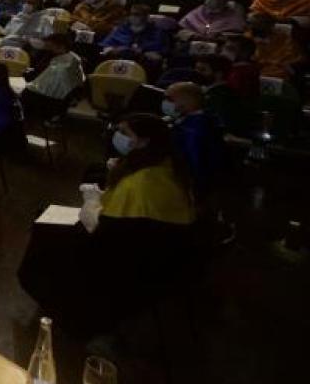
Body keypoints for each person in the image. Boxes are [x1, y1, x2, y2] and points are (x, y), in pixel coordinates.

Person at [17, 115, 196, 336]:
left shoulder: (140, 185)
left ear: (144, 141)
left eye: (125, 133)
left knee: (45, 232)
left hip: (123, 262)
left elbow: (105, 229)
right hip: (151, 253)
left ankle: (63, 304)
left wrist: (92, 200)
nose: (117, 136)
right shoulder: (167, 168)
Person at [163, 82, 225, 198]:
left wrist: (193, 188)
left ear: (187, 101)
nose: (166, 103)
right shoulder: (188, 120)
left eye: (170, 99)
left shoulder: (195, 129)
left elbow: (195, 160)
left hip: (191, 186)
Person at [21, 33, 85, 124]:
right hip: (46, 88)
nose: (48, 48)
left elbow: (70, 80)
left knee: (28, 94)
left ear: (60, 46)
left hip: (59, 94)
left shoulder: (71, 61)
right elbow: (40, 71)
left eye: (50, 46)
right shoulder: (50, 55)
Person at [100, 4, 170, 74]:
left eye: (137, 14)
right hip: (117, 63)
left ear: (146, 16)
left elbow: (160, 55)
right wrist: (114, 49)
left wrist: (142, 53)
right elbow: (105, 46)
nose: (133, 16)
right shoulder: (121, 29)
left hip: (144, 66)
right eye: (131, 14)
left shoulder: (158, 32)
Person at [178, 0, 245, 40]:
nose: (212, 0)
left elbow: (236, 32)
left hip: (220, 45)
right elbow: (183, 27)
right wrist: (193, 35)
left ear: (225, 0)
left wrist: (218, 36)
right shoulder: (199, 10)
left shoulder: (233, 13)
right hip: (195, 41)